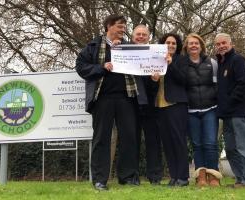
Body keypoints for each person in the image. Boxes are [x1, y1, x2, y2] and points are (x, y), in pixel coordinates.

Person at [75, 14, 146, 190]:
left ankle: (127, 177)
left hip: (126, 98)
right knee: (101, 139)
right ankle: (100, 180)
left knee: (129, 137)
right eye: (119, 26)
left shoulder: (130, 47)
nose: (123, 29)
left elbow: (144, 63)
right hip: (102, 99)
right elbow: (80, 66)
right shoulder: (93, 46)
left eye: (124, 27)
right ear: (108, 26)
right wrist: (101, 67)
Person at [215, 33, 245, 188]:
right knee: (231, 148)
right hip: (226, 115)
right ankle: (240, 179)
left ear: (230, 43)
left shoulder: (238, 60)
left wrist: (229, 102)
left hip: (239, 113)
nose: (221, 46)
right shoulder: (222, 64)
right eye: (218, 44)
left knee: (244, 147)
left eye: (224, 43)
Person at [181, 33, 222, 187]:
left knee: (211, 143)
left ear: (201, 46)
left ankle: (213, 177)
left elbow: (218, 85)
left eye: (196, 43)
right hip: (191, 111)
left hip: (210, 109)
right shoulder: (183, 64)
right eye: (190, 43)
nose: (193, 46)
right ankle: (201, 177)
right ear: (186, 46)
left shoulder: (212, 62)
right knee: (197, 144)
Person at [152, 33, 189, 186]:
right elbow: (152, 86)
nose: (171, 45)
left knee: (178, 141)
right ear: (163, 44)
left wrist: (171, 63)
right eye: (168, 42)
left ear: (178, 45)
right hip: (159, 106)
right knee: (167, 142)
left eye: (174, 43)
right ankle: (174, 177)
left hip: (176, 105)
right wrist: (153, 80)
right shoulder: (155, 60)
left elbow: (184, 80)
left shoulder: (182, 60)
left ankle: (183, 177)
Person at [131, 25, 163, 185]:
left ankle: (155, 177)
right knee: (131, 142)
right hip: (130, 106)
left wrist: (154, 81)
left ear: (149, 37)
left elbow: (154, 89)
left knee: (153, 142)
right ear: (132, 36)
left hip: (150, 106)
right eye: (138, 34)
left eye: (144, 34)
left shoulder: (155, 55)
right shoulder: (124, 54)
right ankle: (132, 176)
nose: (141, 36)